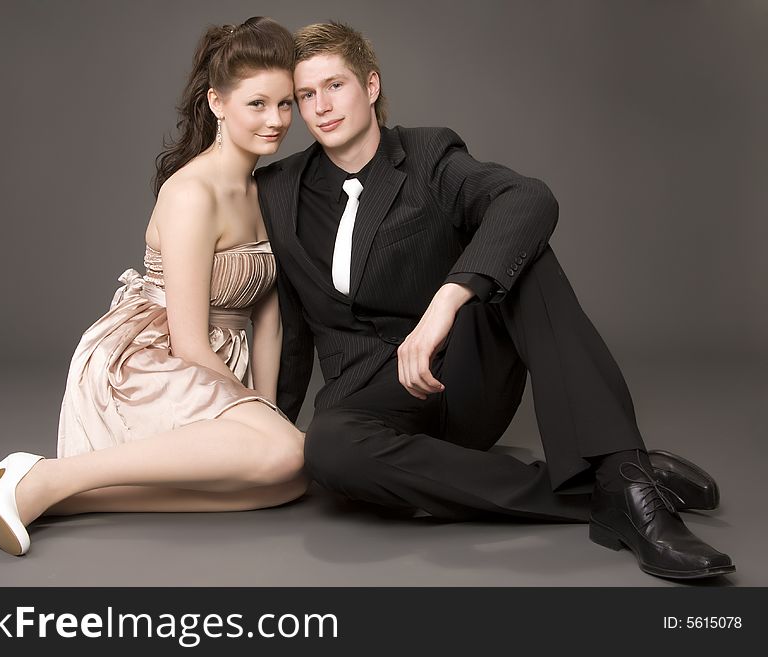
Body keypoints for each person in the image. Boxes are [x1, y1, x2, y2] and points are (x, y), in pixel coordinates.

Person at [254, 21, 734, 580]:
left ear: (372, 86)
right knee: (329, 448)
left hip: (461, 379)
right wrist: (272, 426)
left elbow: (527, 197)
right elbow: (289, 327)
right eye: (306, 95)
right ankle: (610, 491)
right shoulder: (280, 188)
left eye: (335, 86)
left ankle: (625, 475)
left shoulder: (427, 155)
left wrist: (446, 301)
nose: (321, 107)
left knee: (523, 256)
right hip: (369, 406)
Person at [0, 17, 308, 557]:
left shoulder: (266, 187)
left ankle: (46, 488)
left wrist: (266, 406)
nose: (277, 121)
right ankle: (44, 481)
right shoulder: (194, 193)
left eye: (286, 104)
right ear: (218, 103)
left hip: (218, 362)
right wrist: (261, 418)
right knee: (286, 454)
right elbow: (190, 342)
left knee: (290, 478)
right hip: (154, 357)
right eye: (258, 104)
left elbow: (268, 312)